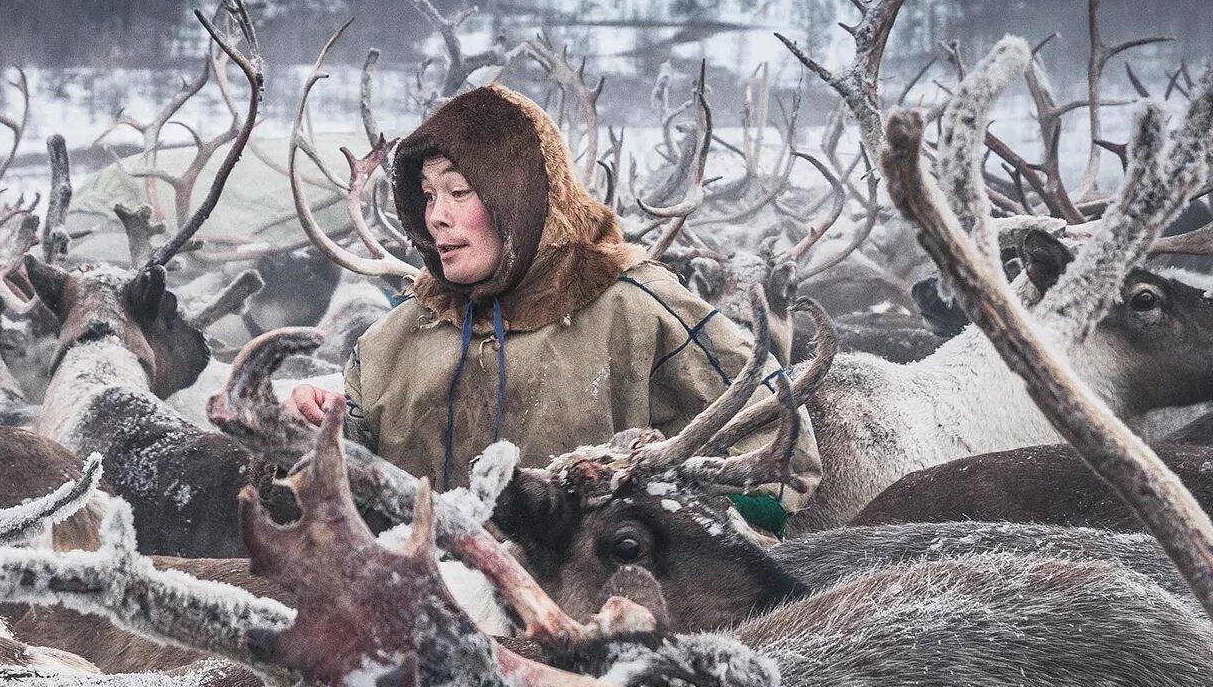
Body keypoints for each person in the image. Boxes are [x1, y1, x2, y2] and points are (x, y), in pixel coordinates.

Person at [293, 81, 819, 528]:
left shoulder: (639, 309)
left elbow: (780, 454)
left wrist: (661, 539)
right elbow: (333, 498)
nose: (436, 217)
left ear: (519, 194)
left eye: (459, 191)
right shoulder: (392, 341)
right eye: (428, 195)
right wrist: (315, 436)